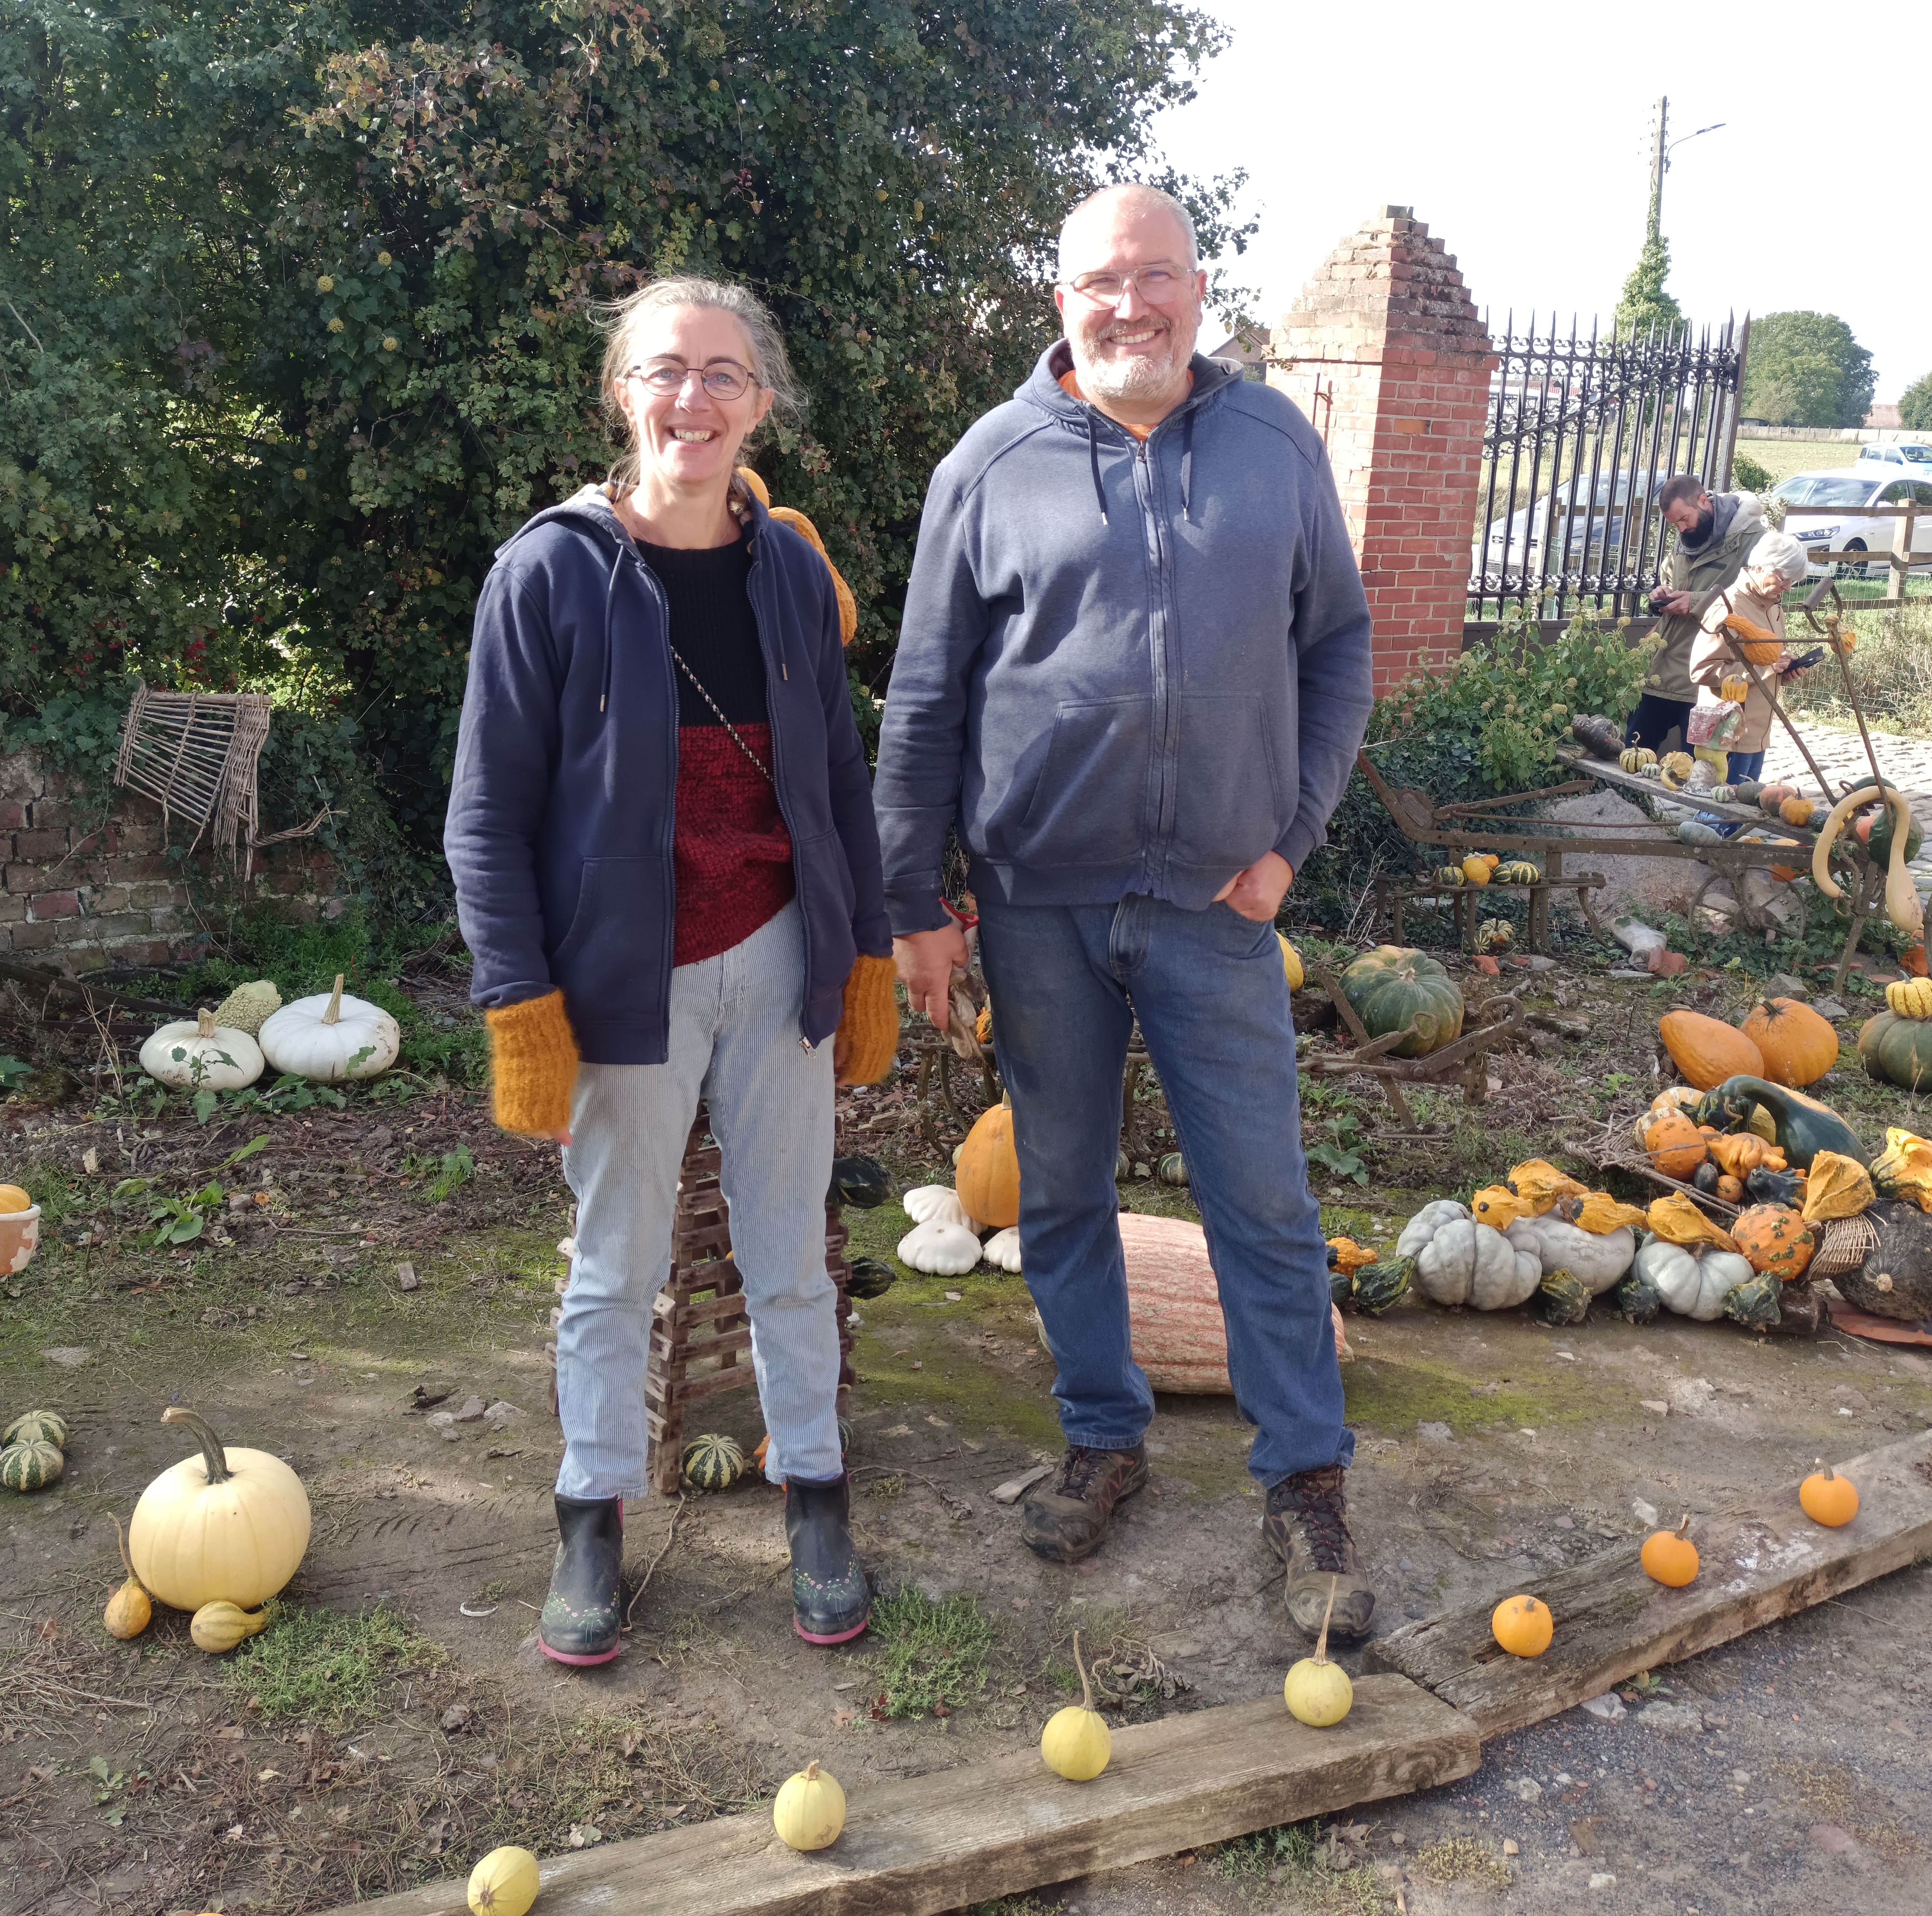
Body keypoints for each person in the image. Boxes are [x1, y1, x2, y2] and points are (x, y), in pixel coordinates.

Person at [872, 184, 1378, 1642]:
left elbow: (1339, 649)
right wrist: (920, 898)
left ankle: (1305, 1485)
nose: (1130, 305)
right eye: (1102, 281)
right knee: (1062, 1191)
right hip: (1036, 909)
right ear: (1062, 304)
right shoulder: (991, 463)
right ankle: (1103, 1438)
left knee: (1265, 1208)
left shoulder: (1275, 444)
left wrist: (1286, 841)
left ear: (1199, 291)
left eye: (1156, 277)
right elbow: (924, 699)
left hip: (1219, 908)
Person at [444, 276, 898, 1665]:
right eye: (662, 370)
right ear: (619, 393)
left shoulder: (789, 572)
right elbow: (485, 810)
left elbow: (834, 776)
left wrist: (863, 950)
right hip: (623, 980)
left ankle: (813, 1494)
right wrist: (520, 999)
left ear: (760, 402)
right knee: (613, 1263)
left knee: (790, 1253)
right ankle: (590, 1512)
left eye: (721, 373)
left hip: (775, 960)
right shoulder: (551, 570)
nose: (690, 399)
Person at [1627, 474, 1766, 754]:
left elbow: (1758, 600)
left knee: (1700, 772)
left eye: (1684, 519)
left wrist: (1696, 602)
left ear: (1704, 501)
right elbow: (1671, 574)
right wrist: (1661, 592)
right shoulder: (1687, 534)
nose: (1681, 528)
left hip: (1706, 678)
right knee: (1632, 753)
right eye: (1674, 524)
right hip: (1661, 672)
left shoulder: (1752, 541)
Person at [1686, 528, 1813, 785]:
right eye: (1784, 578)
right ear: (1759, 567)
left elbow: (1763, 665)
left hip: (1758, 732)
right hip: (1727, 733)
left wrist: (1785, 670)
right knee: (1719, 815)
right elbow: (1700, 670)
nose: (1787, 588)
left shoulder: (1774, 609)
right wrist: (1764, 670)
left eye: (1793, 581)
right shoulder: (1727, 607)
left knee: (1741, 809)